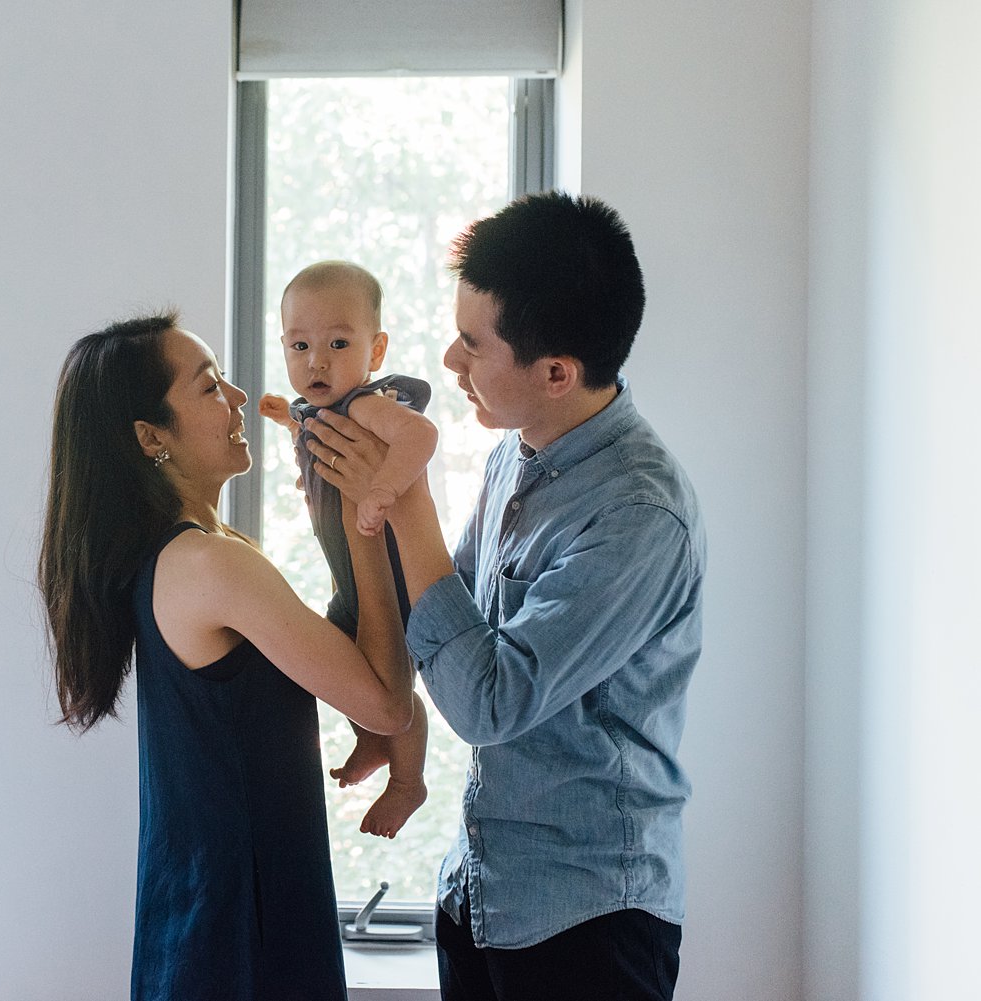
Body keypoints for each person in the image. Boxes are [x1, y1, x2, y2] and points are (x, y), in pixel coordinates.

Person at [301, 192, 706, 1001]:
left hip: (588, 923)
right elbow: (442, 619)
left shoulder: (638, 515)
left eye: (473, 344)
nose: (449, 361)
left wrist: (405, 495)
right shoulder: (515, 456)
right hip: (483, 895)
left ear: (557, 373)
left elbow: (489, 701)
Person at [38, 312, 416, 1001]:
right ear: (152, 437)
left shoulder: (207, 549)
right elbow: (386, 700)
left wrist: (339, 510)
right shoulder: (207, 563)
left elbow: (342, 654)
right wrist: (368, 510)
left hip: (220, 916)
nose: (240, 397)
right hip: (238, 933)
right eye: (210, 387)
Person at [258, 260, 435, 838]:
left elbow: (421, 435)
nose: (317, 361)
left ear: (376, 349)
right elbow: (319, 448)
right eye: (300, 345)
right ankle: (371, 739)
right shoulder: (322, 411)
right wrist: (289, 422)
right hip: (351, 584)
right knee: (339, 668)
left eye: (338, 343)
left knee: (392, 683)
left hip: (393, 579)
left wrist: (382, 489)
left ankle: (409, 780)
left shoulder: (368, 403)